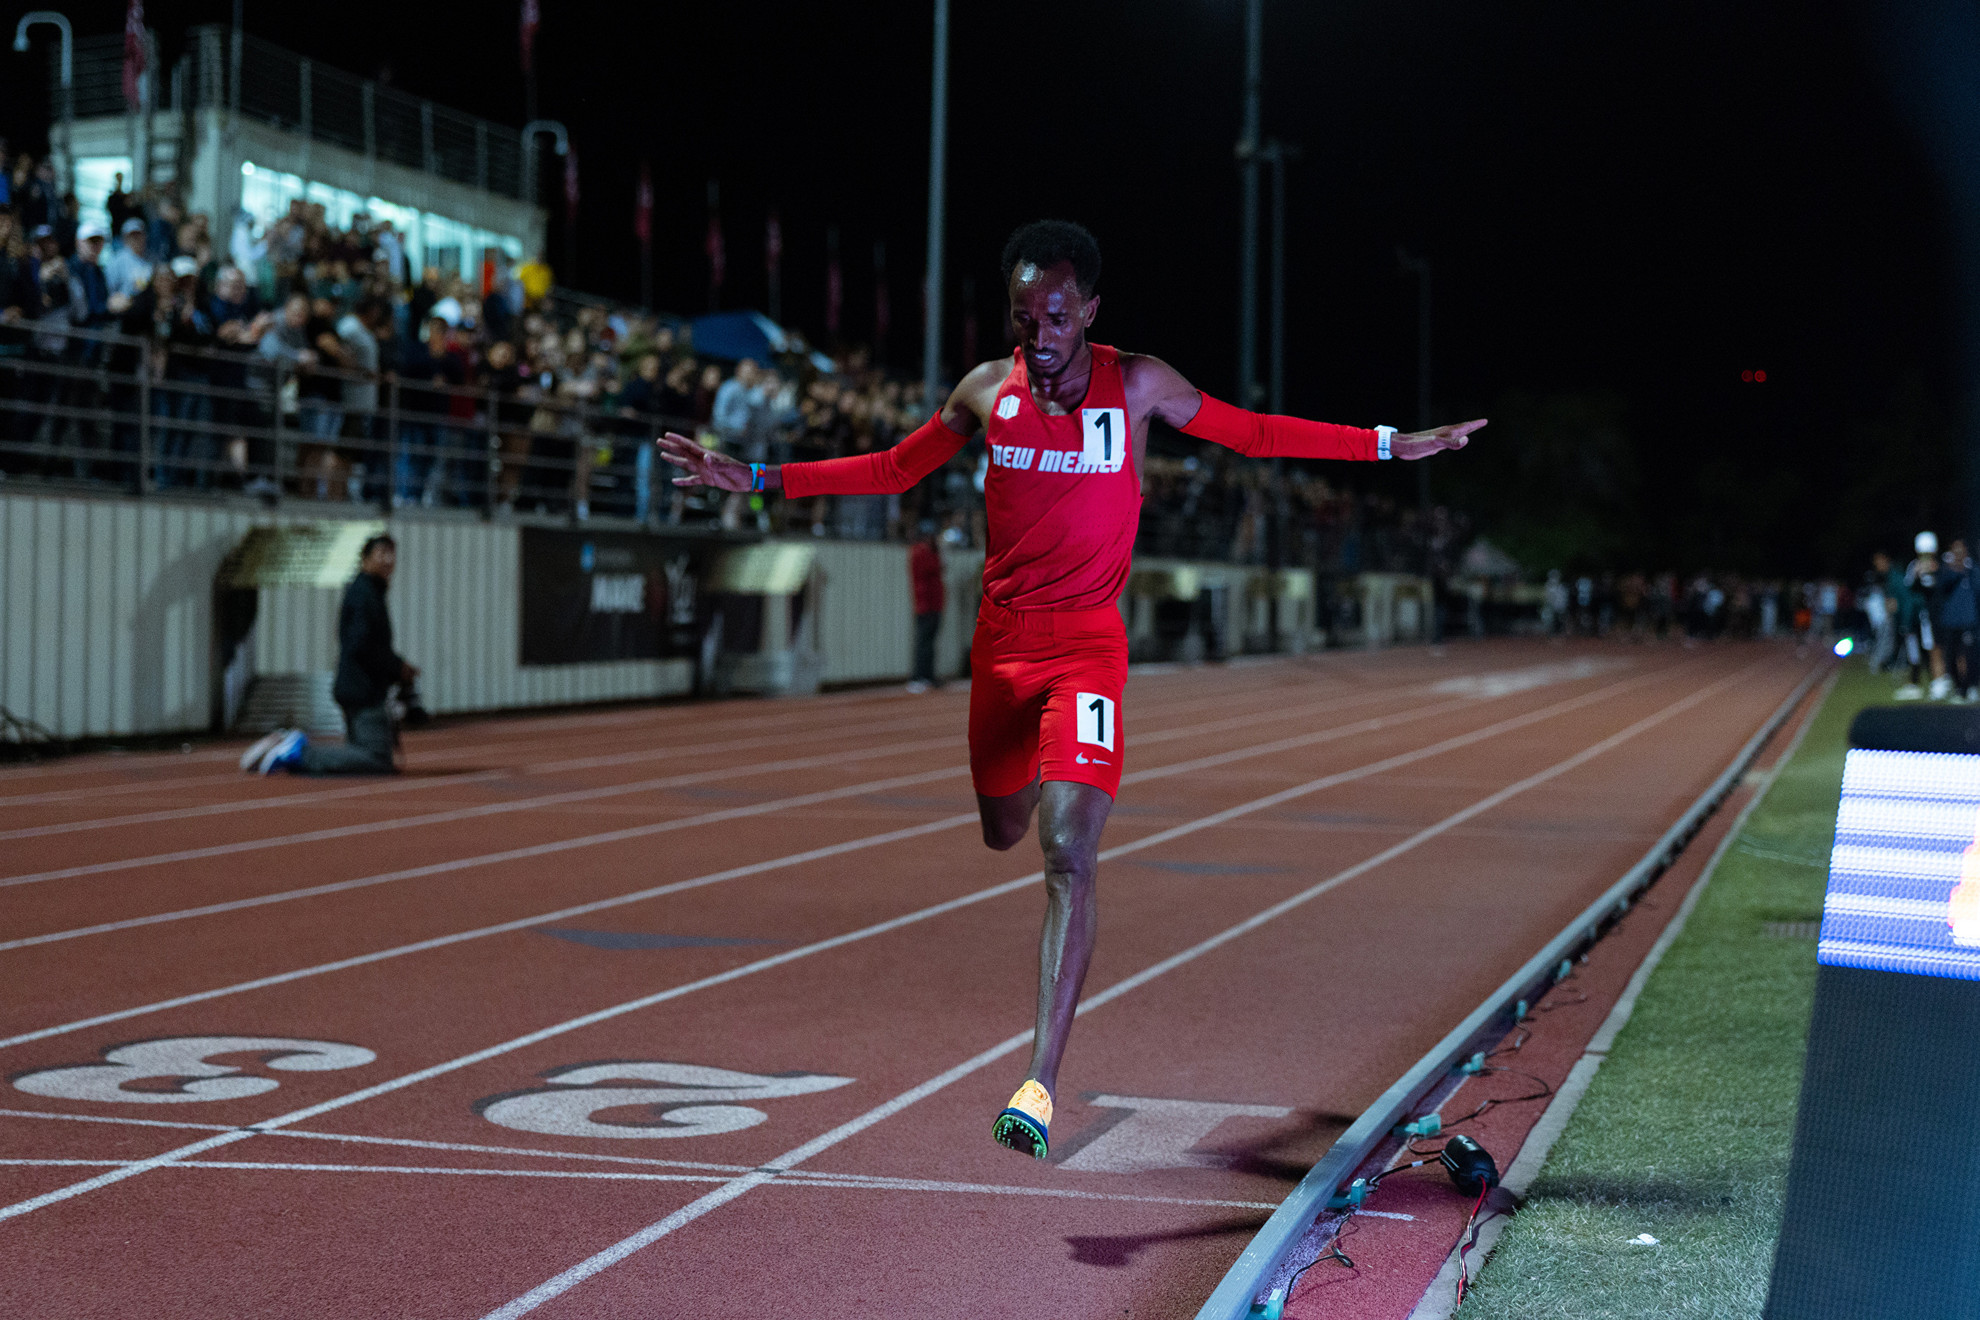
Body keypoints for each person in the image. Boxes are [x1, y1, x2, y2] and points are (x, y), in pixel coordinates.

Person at [657, 219, 1482, 1159]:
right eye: (1023, 318)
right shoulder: (986, 391)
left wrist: (1389, 446)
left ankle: (1039, 1082)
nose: (1039, 335)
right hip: (1000, 652)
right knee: (1005, 827)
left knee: (1068, 852)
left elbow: (1253, 433)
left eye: (1055, 316)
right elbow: (892, 469)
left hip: (1087, 651)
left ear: (1090, 311)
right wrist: (754, 476)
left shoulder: (1137, 385)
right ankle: (1025, 879)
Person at [241, 534, 417, 775]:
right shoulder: (364, 594)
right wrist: (396, 667)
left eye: (391, 554)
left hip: (359, 686)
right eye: (381, 553)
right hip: (363, 689)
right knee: (376, 759)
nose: (388, 560)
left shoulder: (370, 591)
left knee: (360, 754)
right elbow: (361, 645)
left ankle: (290, 751)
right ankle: (298, 752)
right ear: (364, 559)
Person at [908, 520, 944, 692]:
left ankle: (927, 676)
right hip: (926, 604)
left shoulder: (923, 550)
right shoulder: (921, 551)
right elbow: (935, 567)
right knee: (924, 643)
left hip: (932, 604)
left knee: (928, 643)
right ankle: (920, 676)